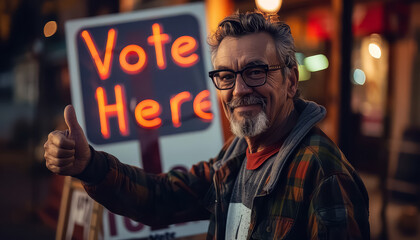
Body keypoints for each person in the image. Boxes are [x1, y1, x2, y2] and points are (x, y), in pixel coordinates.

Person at [44, 11, 370, 239]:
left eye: (256, 71)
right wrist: (89, 165)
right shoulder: (235, 156)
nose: (240, 90)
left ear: (290, 81)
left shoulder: (323, 173)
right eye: (227, 76)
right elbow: (161, 198)